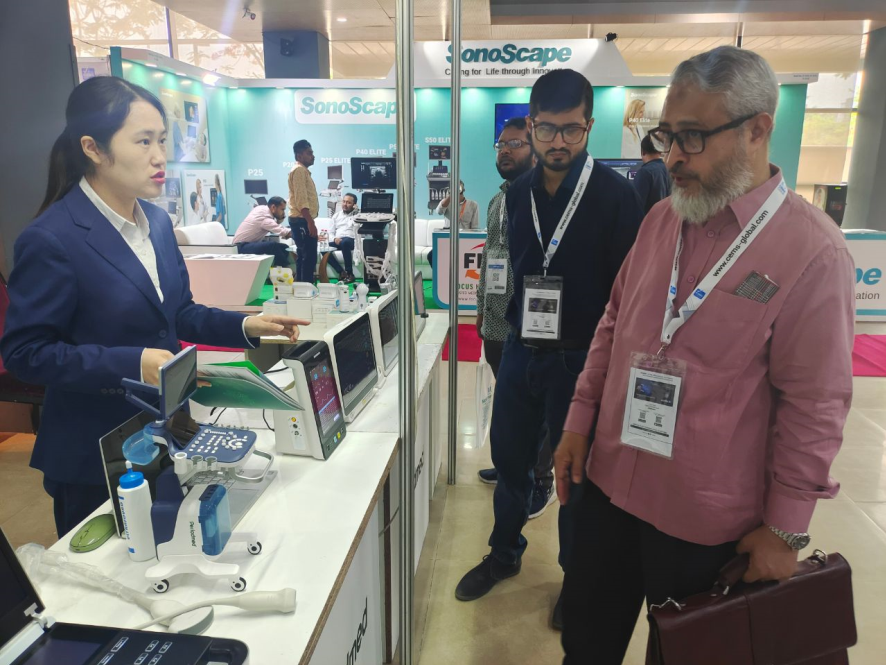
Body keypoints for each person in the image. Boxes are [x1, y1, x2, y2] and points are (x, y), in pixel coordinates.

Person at [555, 46, 855, 663]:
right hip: (610, 485)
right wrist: (579, 420)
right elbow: (614, 323)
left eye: (692, 137)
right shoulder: (662, 220)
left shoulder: (813, 253)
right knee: (585, 645)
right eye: (668, 135)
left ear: (757, 130)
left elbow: (815, 404)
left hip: (704, 521)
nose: (672, 157)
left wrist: (785, 529)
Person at [0, 77, 307, 538]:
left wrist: (247, 326)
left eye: (162, 140)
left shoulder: (158, 223)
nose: (160, 156)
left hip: (166, 434)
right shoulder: (52, 238)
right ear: (93, 148)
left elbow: (179, 313)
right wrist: (133, 363)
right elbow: (26, 353)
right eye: (143, 141)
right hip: (93, 454)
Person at [454, 69, 644, 631]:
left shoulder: (616, 195)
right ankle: (503, 553)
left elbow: (627, 295)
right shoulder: (516, 194)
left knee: (574, 476)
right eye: (546, 129)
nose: (558, 142)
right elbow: (512, 269)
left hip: (580, 358)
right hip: (522, 348)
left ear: (589, 126)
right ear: (531, 126)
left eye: (571, 130)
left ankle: (574, 577)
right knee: (510, 458)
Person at [475, 117, 555, 519]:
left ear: (535, 149)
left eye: (515, 144)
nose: (505, 151)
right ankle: (511, 466)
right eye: (500, 145)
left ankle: (541, 479)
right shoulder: (496, 201)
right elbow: (489, 259)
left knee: (537, 406)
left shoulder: (547, 199)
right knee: (508, 402)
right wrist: (480, 311)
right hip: (495, 321)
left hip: (530, 325)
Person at [289, 139, 320, 283]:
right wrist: (310, 222)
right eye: (309, 153)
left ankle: (302, 289)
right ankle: (305, 289)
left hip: (301, 220)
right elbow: (301, 200)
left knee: (304, 256)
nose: (313, 156)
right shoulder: (299, 170)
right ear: (299, 156)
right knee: (308, 258)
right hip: (302, 220)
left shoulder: (301, 171)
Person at [232, 196, 293, 268]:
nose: (283, 213)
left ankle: (279, 269)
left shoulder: (261, 208)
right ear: (273, 207)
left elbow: (275, 227)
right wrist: (299, 233)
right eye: (282, 209)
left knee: (284, 247)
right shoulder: (265, 219)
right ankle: (287, 269)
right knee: (272, 246)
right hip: (241, 247)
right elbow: (283, 231)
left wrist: (279, 221)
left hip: (247, 244)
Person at [633, 134, 671, 214]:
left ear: (643, 152)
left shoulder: (644, 172)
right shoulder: (670, 170)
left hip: (649, 220)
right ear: (660, 151)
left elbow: (635, 207)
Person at [326, 193, 359, 283]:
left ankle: (350, 273)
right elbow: (331, 232)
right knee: (324, 247)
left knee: (345, 242)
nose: (345, 204)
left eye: (348, 202)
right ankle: (341, 272)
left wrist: (356, 212)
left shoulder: (358, 216)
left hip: (351, 240)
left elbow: (360, 229)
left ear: (354, 204)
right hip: (338, 240)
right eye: (344, 201)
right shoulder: (336, 216)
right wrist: (334, 239)